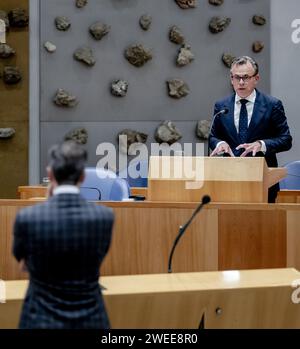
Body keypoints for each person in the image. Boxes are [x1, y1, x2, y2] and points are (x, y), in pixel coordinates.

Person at [13, 141, 114, 329]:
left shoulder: (28, 218)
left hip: (40, 320)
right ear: (83, 176)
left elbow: (23, 264)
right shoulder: (104, 217)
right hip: (91, 320)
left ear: (50, 175)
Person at [209, 56, 292, 202]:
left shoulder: (272, 105)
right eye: (237, 77)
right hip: (229, 178)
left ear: (256, 78)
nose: (241, 82)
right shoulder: (221, 106)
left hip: (262, 179)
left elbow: (286, 140)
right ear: (231, 79)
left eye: (246, 77)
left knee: (264, 224)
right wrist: (220, 144)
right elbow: (213, 136)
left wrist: (262, 145)